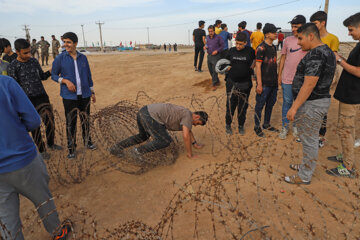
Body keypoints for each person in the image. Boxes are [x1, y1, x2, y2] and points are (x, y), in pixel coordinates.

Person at [0, 74, 72, 240]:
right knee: (43, 200)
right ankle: (57, 233)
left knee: (7, 220)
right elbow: (33, 120)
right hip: (24, 159)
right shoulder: (6, 83)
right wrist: (14, 130)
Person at [284, 23, 336, 184]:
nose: (298, 42)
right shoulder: (326, 51)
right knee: (309, 139)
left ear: (311, 36)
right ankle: (305, 166)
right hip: (316, 102)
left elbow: (309, 83)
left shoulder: (317, 54)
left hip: (312, 104)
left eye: (300, 38)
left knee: (309, 140)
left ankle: (304, 175)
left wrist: (294, 107)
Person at [7, 39, 63, 160]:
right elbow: (14, 88)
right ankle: (42, 150)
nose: (29, 55)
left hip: (42, 96)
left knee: (49, 121)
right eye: (25, 53)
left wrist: (50, 71)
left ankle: (51, 143)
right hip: (27, 100)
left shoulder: (33, 61)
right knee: (34, 125)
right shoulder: (13, 67)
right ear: (17, 52)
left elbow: (42, 76)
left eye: (29, 52)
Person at [109, 103, 208, 163]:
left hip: (143, 112)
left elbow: (188, 130)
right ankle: (136, 151)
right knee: (164, 140)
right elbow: (186, 135)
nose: (195, 125)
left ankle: (116, 147)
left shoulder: (186, 113)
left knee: (143, 136)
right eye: (197, 123)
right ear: (196, 117)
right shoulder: (187, 116)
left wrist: (195, 144)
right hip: (151, 116)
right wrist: (190, 154)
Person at [51, 32, 96, 159]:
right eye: (64, 42)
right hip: (69, 96)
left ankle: (88, 141)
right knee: (71, 122)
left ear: (75, 43)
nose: (66, 45)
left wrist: (92, 91)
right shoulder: (60, 58)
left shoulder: (83, 58)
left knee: (85, 119)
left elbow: (88, 75)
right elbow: (54, 75)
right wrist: (65, 81)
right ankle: (71, 147)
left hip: (85, 94)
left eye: (68, 42)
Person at [326, 12, 360, 178]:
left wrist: (339, 60)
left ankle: (348, 166)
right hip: (348, 94)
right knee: (346, 128)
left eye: (351, 29)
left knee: (346, 129)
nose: (349, 33)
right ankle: (346, 155)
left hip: (353, 95)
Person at [310, 10, 340, 148]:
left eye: (315, 23)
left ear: (323, 23)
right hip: (310, 78)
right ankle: (310, 135)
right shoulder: (311, 37)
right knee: (310, 107)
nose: (313, 25)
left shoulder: (333, 39)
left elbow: (333, 61)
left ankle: (321, 137)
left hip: (323, 80)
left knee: (321, 108)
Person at [278, 15, 307, 140]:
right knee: (287, 102)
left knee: (298, 104)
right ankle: (285, 127)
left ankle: (295, 126)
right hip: (287, 78)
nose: (293, 29)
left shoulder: (308, 40)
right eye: (292, 26)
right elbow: (283, 57)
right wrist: (279, 75)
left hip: (302, 80)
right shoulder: (287, 40)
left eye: (296, 26)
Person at [224, 32, 255, 135]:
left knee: (242, 106)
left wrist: (252, 67)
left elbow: (255, 60)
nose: (238, 46)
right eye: (236, 43)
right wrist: (226, 68)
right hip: (231, 83)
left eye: (240, 44)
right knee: (230, 105)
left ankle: (241, 125)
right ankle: (228, 125)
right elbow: (224, 62)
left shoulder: (250, 51)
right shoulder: (231, 51)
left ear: (246, 43)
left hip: (245, 84)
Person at [254, 23, 279, 137]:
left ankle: (266, 124)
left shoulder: (273, 47)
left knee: (270, 104)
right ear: (268, 34)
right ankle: (257, 126)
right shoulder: (261, 48)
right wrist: (259, 84)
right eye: (274, 32)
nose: (276, 34)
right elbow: (258, 67)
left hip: (273, 83)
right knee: (260, 105)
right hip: (264, 84)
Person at [205, 25, 224, 91]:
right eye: (209, 31)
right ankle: (217, 81)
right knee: (210, 70)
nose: (210, 33)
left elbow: (222, 46)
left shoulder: (219, 37)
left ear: (214, 31)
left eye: (211, 31)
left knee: (214, 70)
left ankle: (214, 84)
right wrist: (205, 47)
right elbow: (206, 44)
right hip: (209, 56)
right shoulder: (207, 37)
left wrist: (217, 50)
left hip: (216, 56)